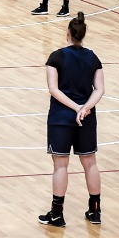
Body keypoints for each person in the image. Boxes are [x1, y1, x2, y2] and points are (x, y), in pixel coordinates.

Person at [39, 13, 105, 226]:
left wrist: (76, 107)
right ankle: (95, 211)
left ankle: (57, 214)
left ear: (67, 34)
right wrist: (85, 108)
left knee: (60, 165)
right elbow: (100, 90)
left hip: (61, 116)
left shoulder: (56, 57)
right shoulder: (93, 58)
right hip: (86, 116)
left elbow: (53, 89)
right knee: (90, 162)